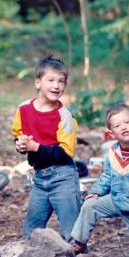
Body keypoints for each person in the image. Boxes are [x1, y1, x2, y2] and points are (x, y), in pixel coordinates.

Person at [71, 104, 129, 257]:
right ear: (111, 133)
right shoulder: (113, 152)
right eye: (117, 125)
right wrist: (97, 191)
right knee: (90, 205)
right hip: (117, 200)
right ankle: (79, 242)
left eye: (126, 122)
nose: (123, 127)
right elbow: (107, 175)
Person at [11, 55, 81, 241]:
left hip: (63, 178)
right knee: (30, 232)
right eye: (50, 80)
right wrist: (21, 144)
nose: (56, 86)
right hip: (40, 179)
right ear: (38, 82)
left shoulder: (63, 116)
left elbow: (66, 153)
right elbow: (18, 134)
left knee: (72, 234)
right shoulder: (24, 109)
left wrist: (36, 147)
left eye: (61, 81)